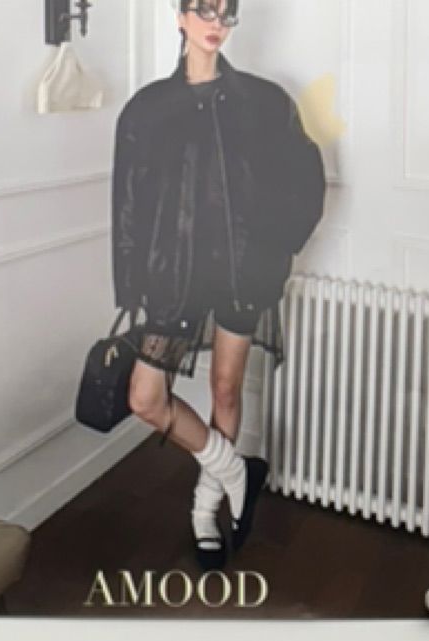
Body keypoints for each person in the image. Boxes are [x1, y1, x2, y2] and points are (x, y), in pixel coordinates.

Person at [108, 1, 327, 562]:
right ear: (179, 16)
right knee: (145, 398)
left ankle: (205, 512)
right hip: (174, 277)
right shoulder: (147, 108)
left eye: (226, 13)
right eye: (204, 9)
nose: (216, 23)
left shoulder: (266, 101)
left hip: (242, 274)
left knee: (226, 389)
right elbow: (127, 204)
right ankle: (236, 472)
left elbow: (307, 177)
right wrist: (131, 286)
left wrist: (277, 245)